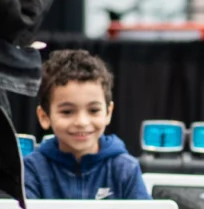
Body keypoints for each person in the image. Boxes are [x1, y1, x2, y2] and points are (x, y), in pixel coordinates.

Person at [23, 49, 150, 200]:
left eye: (93, 110)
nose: (82, 122)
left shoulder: (125, 169)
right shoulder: (30, 170)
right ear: (44, 116)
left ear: (108, 113)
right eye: (67, 112)